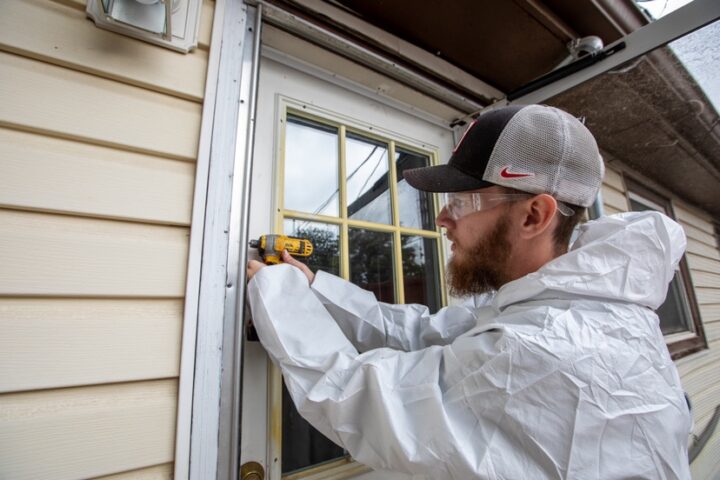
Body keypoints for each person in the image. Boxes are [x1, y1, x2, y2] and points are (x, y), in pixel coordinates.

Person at [247, 104, 692, 479]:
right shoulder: (562, 308)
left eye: (461, 202)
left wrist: (279, 292)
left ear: (534, 215)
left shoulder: (547, 346)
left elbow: (362, 398)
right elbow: (426, 334)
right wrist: (316, 288)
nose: (442, 219)